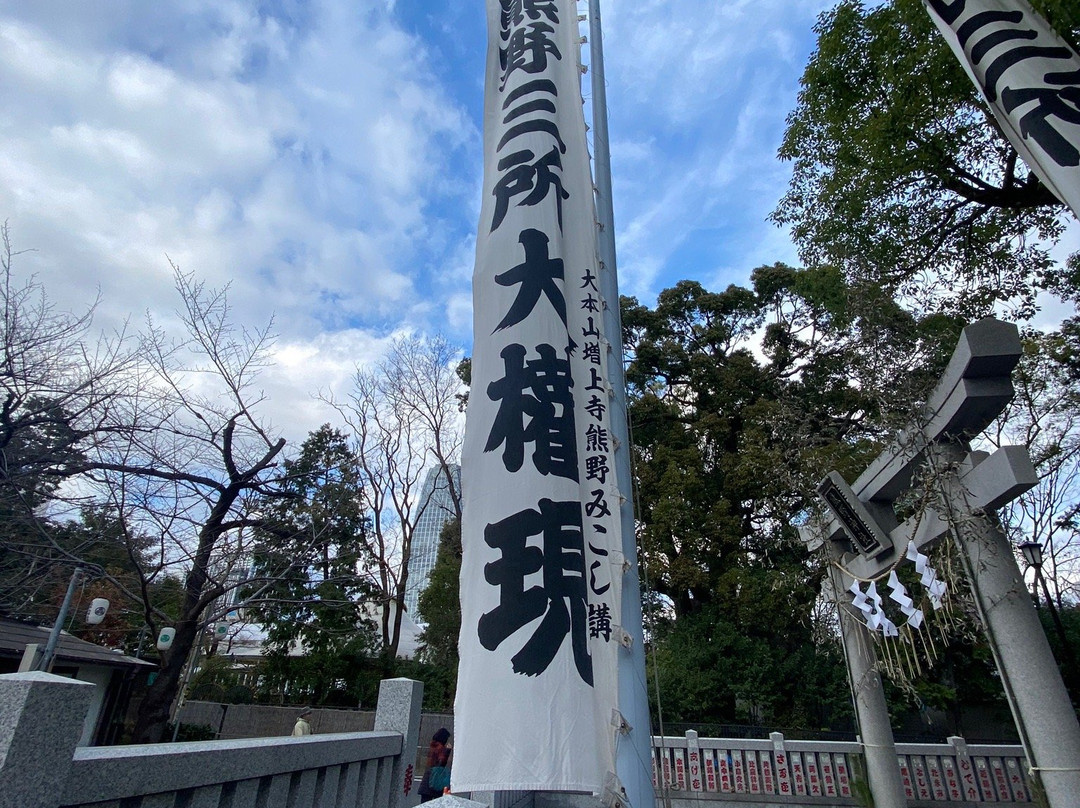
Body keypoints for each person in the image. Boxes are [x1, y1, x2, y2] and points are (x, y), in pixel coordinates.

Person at [418, 727, 451, 802]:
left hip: (427, 779)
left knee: (424, 804)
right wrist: (448, 751)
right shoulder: (440, 748)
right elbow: (442, 762)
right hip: (436, 781)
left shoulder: (432, 746)